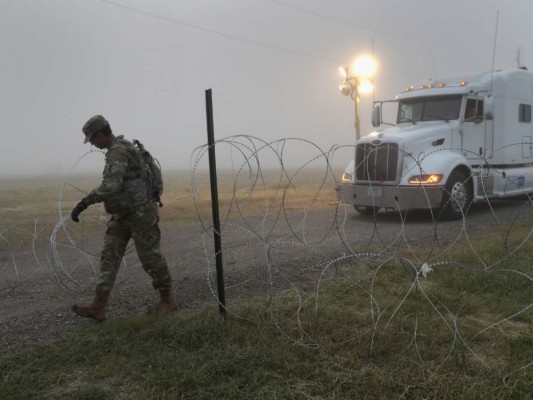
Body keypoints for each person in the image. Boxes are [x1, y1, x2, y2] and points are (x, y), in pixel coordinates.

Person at [70, 115, 177, 321]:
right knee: (109, 256)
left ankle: (167, 300)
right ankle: (98, 306)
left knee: (150, 258)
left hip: (141, 215)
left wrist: (84, 203)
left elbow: (111, 185)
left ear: (100, 135)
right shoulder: (121, 149)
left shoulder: (118, 152)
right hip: (121, 214)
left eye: (92, 139)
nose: (92, 144)